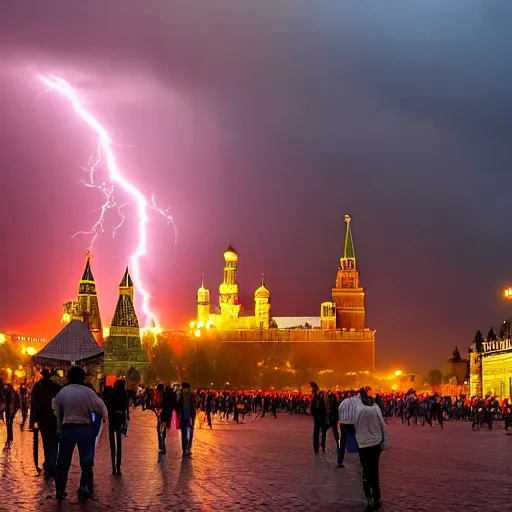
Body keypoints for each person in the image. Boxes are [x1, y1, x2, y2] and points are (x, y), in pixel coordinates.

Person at [53, 365, 108, 501]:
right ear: (83, 378)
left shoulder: (63, 392)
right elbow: (102, 410)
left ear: (68, 377)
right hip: (85, 430)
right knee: (87, 461)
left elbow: (54, 408)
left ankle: (60, 490)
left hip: (67, 429)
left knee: (63, 462)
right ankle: (85, 487)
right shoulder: (89, 393)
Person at [354, 389, 389, 510]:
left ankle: (368, 497)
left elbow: (353, 424)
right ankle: (376, 497)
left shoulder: (357, 409)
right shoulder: (375, 408)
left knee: (366, 470)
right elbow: (382, 424)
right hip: (375, 443)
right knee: (374, 470)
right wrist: (385, 440)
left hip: (362, 444)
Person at [29, 369, 61, 478]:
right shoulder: (55, 386)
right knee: (54, 440)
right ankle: (51, 463)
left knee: (46, 440)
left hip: (42, 418)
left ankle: (49, 463)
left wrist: (32, 421)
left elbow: (33, 404)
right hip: (53, 417)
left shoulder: (37, 386)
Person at [103, 379, 128, 475]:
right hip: (119, 419)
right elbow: (125, 408)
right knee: (119, 444)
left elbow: (107, 405)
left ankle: (114, 467)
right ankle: (118, 467)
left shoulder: (110, 393)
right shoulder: (124, 394)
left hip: (112, 418)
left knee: (112, 444)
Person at [1, 373, 20, 448]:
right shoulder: (10, 391)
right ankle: (9, 437)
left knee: (9, 424)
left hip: (10, 409)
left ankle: (10, 437)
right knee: (9, 424)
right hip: (10, 409)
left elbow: (12, 401)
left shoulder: (10, 391)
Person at [178, 382, 196, 456]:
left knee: (183, 432)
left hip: (183, 416)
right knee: (190, 432)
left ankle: (184, 448)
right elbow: (195, 404)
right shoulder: (192, 394)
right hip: (190, 416)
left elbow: (178, 404)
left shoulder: (181, 394)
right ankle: (188, 449)